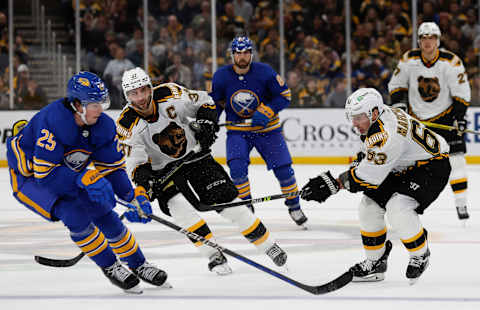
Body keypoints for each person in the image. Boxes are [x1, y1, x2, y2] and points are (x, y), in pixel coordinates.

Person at [6, 72, 169, 294]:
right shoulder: (52, 122)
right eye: (93, 104)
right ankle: (110, 266)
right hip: (30, 178)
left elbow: (112, 169)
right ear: (76, 105)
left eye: (102, 102)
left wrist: (132, 197)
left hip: (68, 173)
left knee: (104, 212)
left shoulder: (103, 126)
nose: (100, 109)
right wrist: (83, 177)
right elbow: (45, 175)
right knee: (74, 214)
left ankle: (138, 263)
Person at [116, 67, 288, 275]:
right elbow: (136, 162)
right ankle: (213, 255)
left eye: (143, 90)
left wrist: (206, 123)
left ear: (150, 88)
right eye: (134, 93)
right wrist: (146, 183)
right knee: (182, 211)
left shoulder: (170, 93)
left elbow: (205, 101)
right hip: (163, 172)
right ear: (127, 96)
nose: (141, 98)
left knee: (229, 203)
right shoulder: (126, 125)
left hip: (196, 157)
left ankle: (268, 245)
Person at [301, 88, 451, 285]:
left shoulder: (387, 135)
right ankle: (375, 264)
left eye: (358, 117)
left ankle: (420, 253)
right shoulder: (378, 116)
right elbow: (368, 158)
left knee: (398, 209)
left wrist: (333, 184)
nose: (354, 123)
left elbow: (368, 176)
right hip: (400, 166)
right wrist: (342, 178)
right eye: (351, 117)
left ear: (373, 112)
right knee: (368, 208)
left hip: (430, 168)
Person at [209, 36, 308, 227]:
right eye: (238, 53)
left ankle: (294, 206)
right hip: (238, 132)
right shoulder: (221, 76)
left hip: (268, 130)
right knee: (237, 169)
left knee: (284, 170)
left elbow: (285, 95)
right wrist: (211, 120)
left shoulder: (265, 72)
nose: (242, 56)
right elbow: (216, 103)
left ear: (251, 54)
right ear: (232, 55)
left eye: (246, 52)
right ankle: (247, 210)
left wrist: (268, 110)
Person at [388, 22, 471, 221]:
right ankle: (403, 204)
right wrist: (400, 108)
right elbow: (397, 85)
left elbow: (462, 92)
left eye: (431, 38)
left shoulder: (451, 62)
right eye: (424, 38)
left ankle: (461, 206)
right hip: (417, 122)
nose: (427, 42)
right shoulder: (409, 60)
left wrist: (459, 118)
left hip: (446, 118)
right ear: (419, 40)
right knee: (406, 164)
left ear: (438, 40)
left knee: (457, 161)